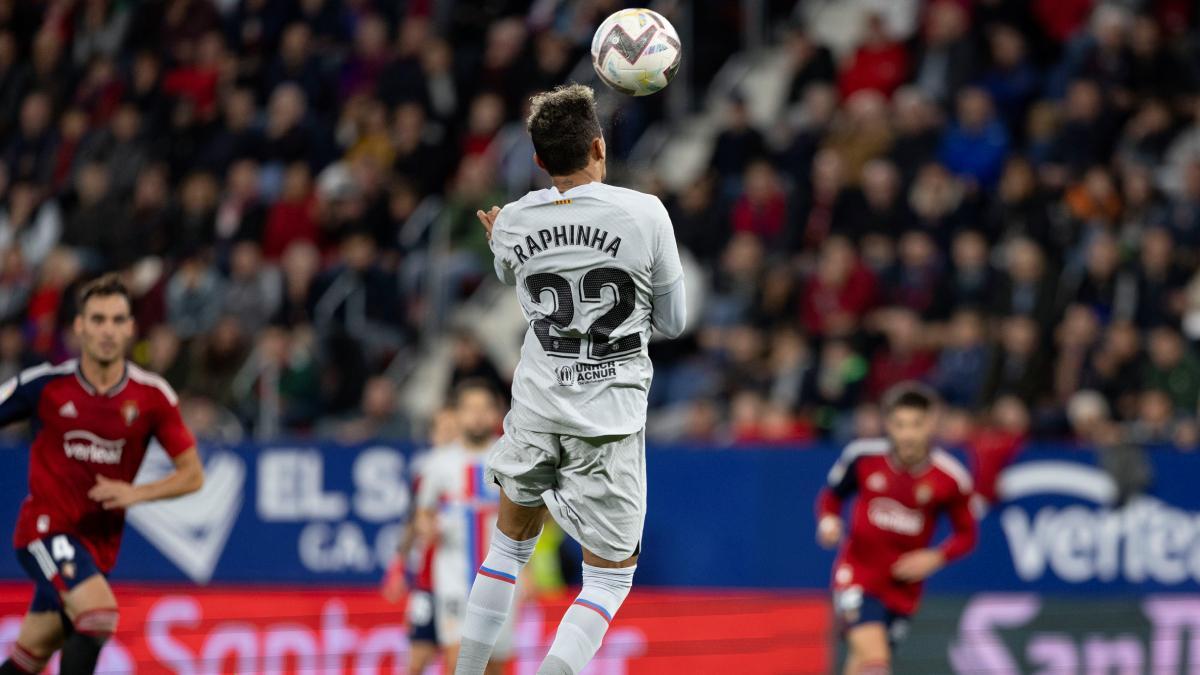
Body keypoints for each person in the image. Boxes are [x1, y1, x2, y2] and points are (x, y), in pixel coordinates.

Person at [456, 84, 687, 675]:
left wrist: (504, 235)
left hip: (537, 404)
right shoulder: (645, 212)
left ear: (537, 160)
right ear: (599, 146)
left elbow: (513, 268)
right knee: (609, 579)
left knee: (507, 546)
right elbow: (674, 321)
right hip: (606, 419)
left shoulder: (512, 220)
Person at [0, 274, 204, 675]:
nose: (107, 331)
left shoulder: (151, 397)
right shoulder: (46, 386)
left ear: (131, 327)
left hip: (98, 547)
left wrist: (137, 494)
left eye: (116, 320)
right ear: (79, 327)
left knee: (29, 659)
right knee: (97, 616)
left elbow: (192, 475)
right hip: (45, 530)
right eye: (97, 320)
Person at [815, 383, 977, 675]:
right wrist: (829, 522)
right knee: (877, 661)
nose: (908, 434)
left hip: (902, 589)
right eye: (900, 424)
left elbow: (967, 535)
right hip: (857, 574)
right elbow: (831, 497)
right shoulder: (863, 457)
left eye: (916, 424)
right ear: (888, 424)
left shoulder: (950, 478)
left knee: (863, 662)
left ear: (931, 424)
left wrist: (936, 557)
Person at [413, 384, 514, 674]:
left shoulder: (510, 457)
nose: (478, 416)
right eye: (470, 409)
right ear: (457, 415)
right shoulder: (439, 463)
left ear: (496, 413)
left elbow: (530, 515)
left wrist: (528, 567)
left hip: (502, 574)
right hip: (454, 573)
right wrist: (426, 527)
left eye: (484, 409)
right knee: (459, 660)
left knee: (495, 662)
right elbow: (423, 511)